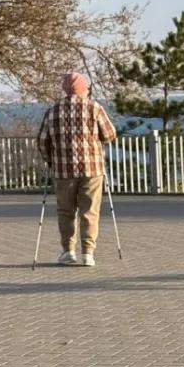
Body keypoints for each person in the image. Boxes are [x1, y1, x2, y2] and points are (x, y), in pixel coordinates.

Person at [36, 72, 117, 267]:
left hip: (64, 171)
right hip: (92, 169)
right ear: (83, 89)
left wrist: (50, 160)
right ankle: (88, 253)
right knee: (89, 211)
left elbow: (42, 141)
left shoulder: (53, 111)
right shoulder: (94, 108)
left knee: (66, 211)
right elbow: (110, 134)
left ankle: (68, 251)